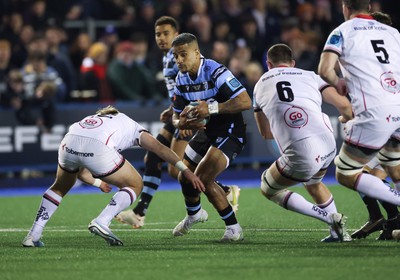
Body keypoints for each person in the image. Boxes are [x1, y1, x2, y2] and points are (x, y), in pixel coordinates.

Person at [115, 16, 240, 228]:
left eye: (166, 33)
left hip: (191, 116)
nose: (161, 38)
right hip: (179, 113)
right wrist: (172, 109)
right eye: (158, 34)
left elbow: (196, 84)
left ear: (176, 35)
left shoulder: (181, 58)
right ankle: (139, 212)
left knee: (176, 168)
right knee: (155, 157)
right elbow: (179, 91)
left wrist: (191, 114)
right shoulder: (167, 58)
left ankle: (224, 190)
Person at [22, 105, 204, 247]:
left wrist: (98, 183)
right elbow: (161, 149)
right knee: (135, 184)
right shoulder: (134, 128)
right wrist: (186, 170)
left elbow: (81, 171)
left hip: (68, 141)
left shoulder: (93, 119)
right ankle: (102, 221)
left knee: (59, 188)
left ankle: (33, 234)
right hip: (98, 147)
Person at [253, 43, 353, 241]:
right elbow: (344, 105)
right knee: (313, 183)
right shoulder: (310, 75)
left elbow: (265, 133)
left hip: (302, 152)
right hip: (328, 143)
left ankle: (330, 218)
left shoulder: (260, 84)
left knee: (268, 187)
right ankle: (340, 234)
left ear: (269, 65)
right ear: (293, 63)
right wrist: (346, 119)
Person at [318, 0, 400, 240]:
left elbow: (324, 69)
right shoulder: (393, 32)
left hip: (375, 111)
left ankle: (388, 210)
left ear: (345, 7)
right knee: (394, 169)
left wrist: (338, 82)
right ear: (370, 7)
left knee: (345, 171)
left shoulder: (342, 31)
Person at [171, 33, 251, 241]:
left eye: (183, 55)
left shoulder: (216, 71)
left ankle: (234, 228)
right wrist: (182, 123)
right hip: (205, 130)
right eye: (175, 56)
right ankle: (195, 214)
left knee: (204, 178)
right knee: (184, 176)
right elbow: (176, 116)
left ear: (197, 53)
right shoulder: (180, 78)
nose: (179, 60)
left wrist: (212, 108)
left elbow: (244, 102)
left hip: (230, 129)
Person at [349, 11, 400, 241]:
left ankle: (386, 218)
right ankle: (388, 220)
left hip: (389, 124)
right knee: (371, 175)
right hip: (389, 124)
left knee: (355, 170)